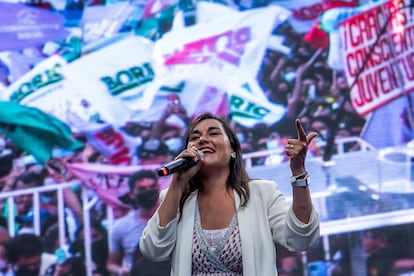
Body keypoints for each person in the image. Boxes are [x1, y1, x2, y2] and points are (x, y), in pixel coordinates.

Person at [139, 112, 320, 275]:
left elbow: (300, 239)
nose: (202, 139)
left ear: (233, 150)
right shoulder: (174, 198)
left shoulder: (262, 194)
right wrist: (178, 184)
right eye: (195, 137)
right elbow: (153, 249)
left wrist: (298, 173)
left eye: (213, 133)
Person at [107, 170, 162, 276]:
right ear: (131, 194)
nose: (148, 191)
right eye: (142, 189)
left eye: (152, 187)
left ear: (158, 188)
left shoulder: (176, 217)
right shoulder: (121, 227)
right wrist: (120, 271)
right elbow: (111, 264)